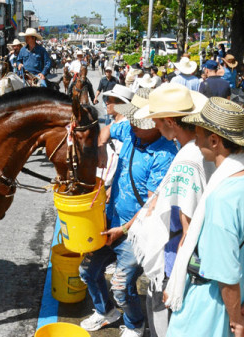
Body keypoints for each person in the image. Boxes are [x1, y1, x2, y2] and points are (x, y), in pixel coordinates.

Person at [165, 97, 244, 337]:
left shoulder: (222, 197)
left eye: (198, 134)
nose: (195, 139)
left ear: (214, 141)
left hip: (206, 311)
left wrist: (237, 321)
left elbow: (227, 274)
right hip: (237, 301)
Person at [79, 88, 177, 336]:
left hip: (135, 234)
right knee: (87, 272)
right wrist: (101, 147)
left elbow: (152, 204)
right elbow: (107, 130)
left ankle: (135, 324)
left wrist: (123, 229)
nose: (131, 125)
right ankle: (105, 312)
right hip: (110, 220)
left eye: (138, 122)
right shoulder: (132, 130)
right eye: (131, 120)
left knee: (122, 288)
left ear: (156, 125)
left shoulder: (165, 154)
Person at [126, 84, 211, 337]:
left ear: (171, 122)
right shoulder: (199, 148)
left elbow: (188, 227)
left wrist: (174, 281)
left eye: (157, 120)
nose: (153, 124)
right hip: (181, 262)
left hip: (173, 264)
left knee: (162, 327)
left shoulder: (187, 159)